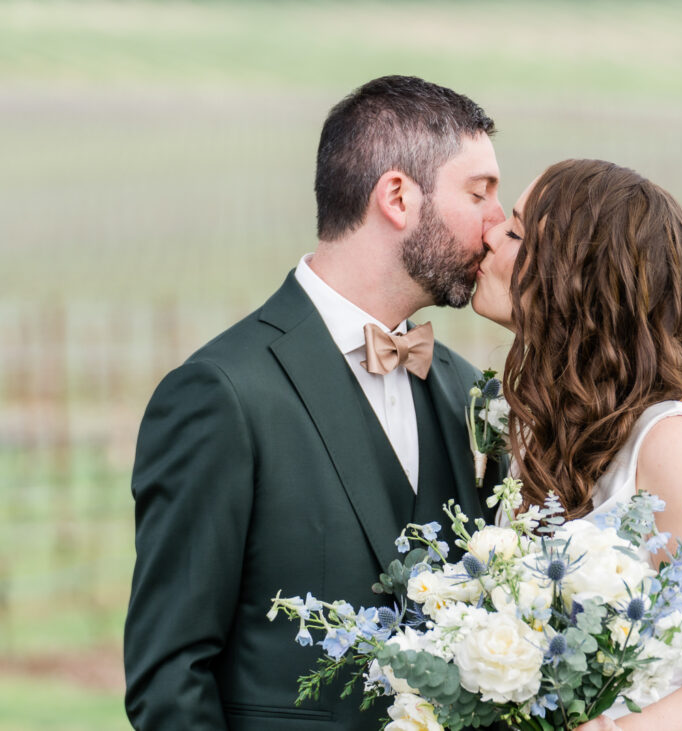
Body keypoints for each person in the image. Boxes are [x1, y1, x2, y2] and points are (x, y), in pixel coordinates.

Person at [124, 76, 506, 730]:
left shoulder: (468, 392)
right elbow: (170, 679)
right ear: (397, 197)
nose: (498, 224)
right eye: (480, 194)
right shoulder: (223, 393)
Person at [472, 159, 682, 731]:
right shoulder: (543, 424)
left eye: (516, 233)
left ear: (578, 277)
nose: (490, 235)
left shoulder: (674, 440)